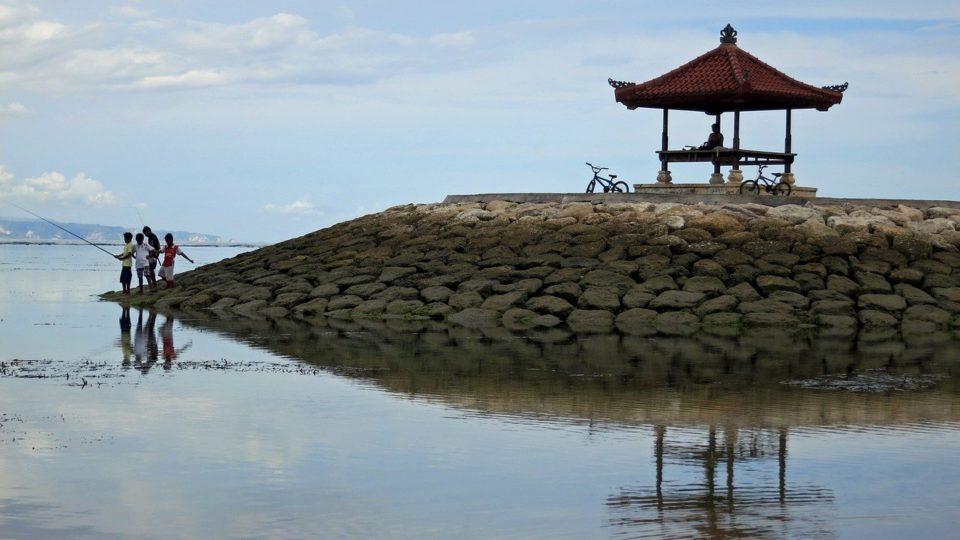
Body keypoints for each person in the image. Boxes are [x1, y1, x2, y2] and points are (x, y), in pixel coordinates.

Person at [142, 226, 161, 291]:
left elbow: (153, 248)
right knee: (151, 269)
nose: (145, 235)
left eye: (145, 233)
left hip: (153, 255)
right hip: (154, 255)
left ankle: (154, 283)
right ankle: (154, 283)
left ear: (148, 231)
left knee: (151, 269)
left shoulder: (152, 237)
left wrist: (150, 255)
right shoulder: (152, 236)